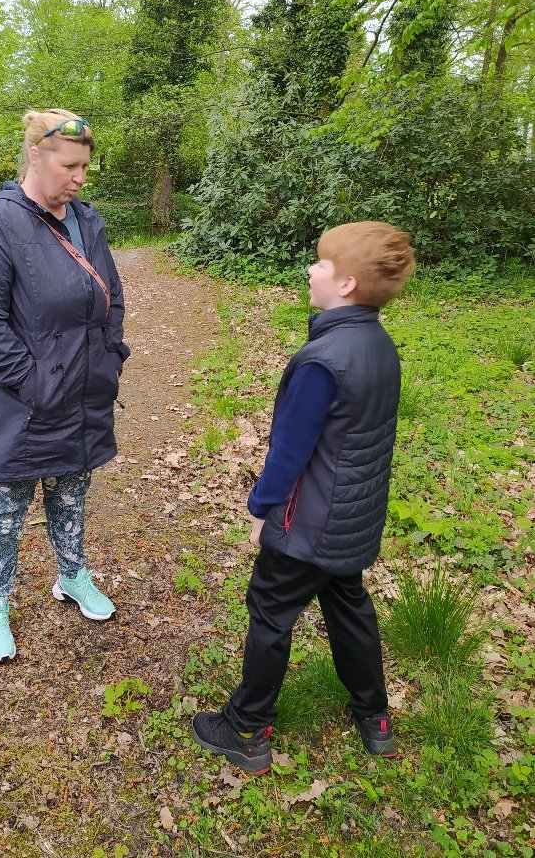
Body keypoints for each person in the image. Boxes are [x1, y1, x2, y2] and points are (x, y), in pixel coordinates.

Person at [192, 221, 416, 774]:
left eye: (321, 263)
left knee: (271, 613)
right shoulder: (379, 345)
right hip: (352, 519)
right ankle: (375, 718)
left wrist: (261, 509)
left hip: (308, 524)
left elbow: (289, 453)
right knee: (349, 606)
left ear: (346, 284)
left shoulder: (323, 362)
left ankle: (246, 728)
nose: (311, 270)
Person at [0, 108, 130, 663]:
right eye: (69, 166)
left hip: (84, 388)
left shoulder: (87, 220)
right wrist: (33, 384)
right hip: (21, 400)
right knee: (6, 505)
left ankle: (72, 575)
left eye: (85, 167)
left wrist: (110, 356)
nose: (79, 178)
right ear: (36, 156)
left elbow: (112, 296)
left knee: (71, 489)